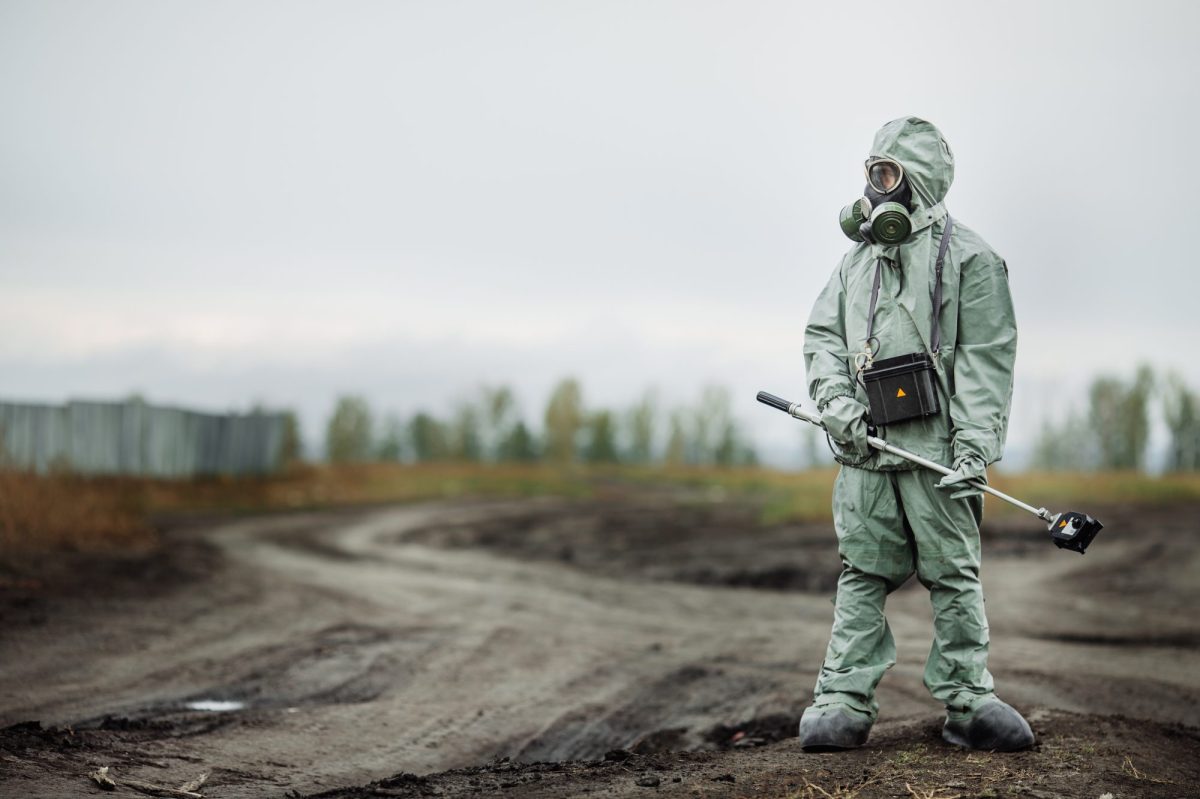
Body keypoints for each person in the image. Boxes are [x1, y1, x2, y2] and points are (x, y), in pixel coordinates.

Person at [800, 117, 1033, 752]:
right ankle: (842, 700)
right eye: (872, 172)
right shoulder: (855, 262)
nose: (876, 188)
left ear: (920, 181)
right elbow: (823, 339)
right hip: (866, 454)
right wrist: (835, 403)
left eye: (889, 173)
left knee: (954, 574)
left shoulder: (973, 260)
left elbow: (988, 359)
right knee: (862, 572)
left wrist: (974, 446)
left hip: (938, 457)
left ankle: (968, 699)